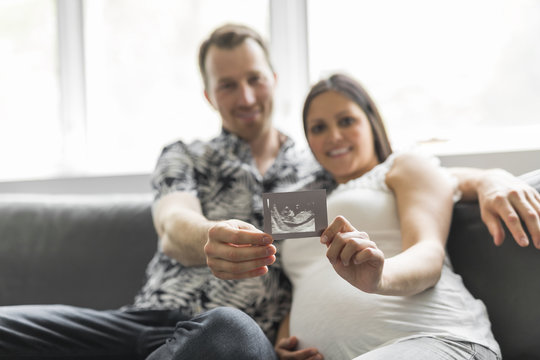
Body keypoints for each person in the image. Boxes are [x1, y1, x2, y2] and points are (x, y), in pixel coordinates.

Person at [0, 23, 538, 359]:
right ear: (209, 95)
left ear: (274, 79)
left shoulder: (315, 170)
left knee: (227, 333)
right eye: (228, 85)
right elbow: (173, 225)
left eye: (254, 78)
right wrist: (211, 234)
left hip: (232, 338)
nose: (246, 95)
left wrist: (490, 178)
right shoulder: (187, 154)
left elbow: (407, 179)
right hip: (151, 317)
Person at [273, 73, 505, 359]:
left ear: (371, 121)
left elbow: (428, 253)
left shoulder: (403, 166)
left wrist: (379, 278)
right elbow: (305, 277)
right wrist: (284, 343)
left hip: (435, 338)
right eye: (318, 128)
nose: (333, 136)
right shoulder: (304, 206)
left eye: (346, 121)